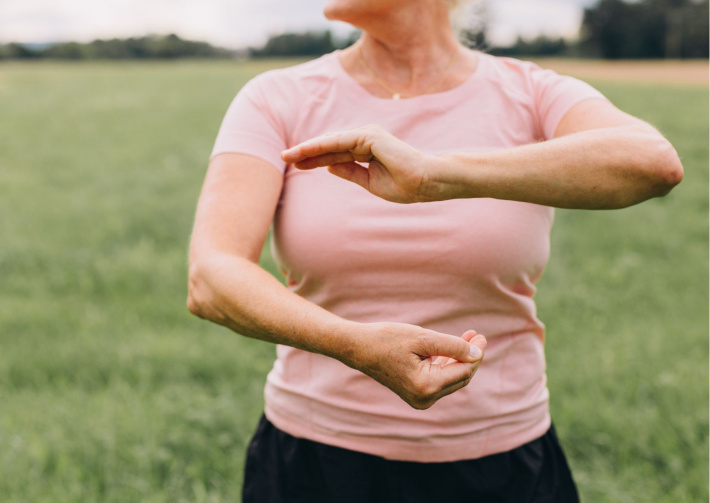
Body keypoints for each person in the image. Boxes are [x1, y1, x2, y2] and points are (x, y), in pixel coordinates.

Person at [187, 0, 684, 501]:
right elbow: (211, 276)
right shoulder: (276, 98)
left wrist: (437, 175)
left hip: (504, 464)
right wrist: (352, 345)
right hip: (313, 463)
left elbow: (654, 162)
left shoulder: (531, 92)